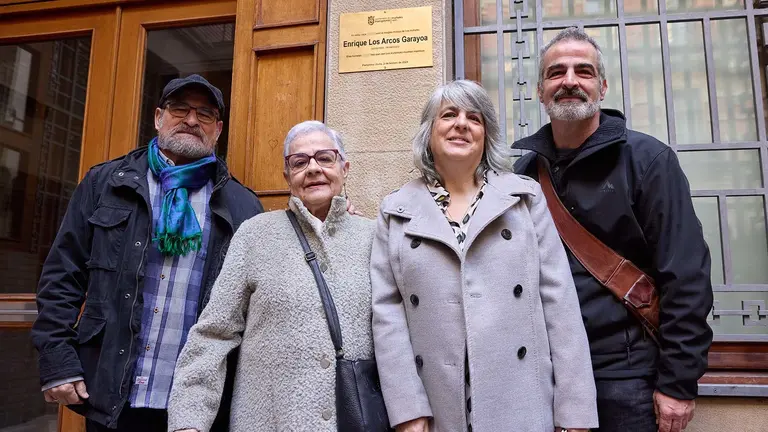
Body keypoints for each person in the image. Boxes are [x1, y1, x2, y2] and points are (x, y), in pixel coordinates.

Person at [31, 74, 264, 432]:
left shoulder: (243, 204)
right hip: (111, 395)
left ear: (217, 129)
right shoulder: (105, 183)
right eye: (179, 109)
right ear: (158, 117)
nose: (190, 120)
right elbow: (63, 275)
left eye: (204, 114)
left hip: (199, 404)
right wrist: (57, 360)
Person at [513, 27, 714, 432]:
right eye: (556, 72)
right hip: (546, 377)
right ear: (540, 90)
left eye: (583, 71)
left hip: (626, 380)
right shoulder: (523, 175)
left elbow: (687, 276)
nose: (569, 80)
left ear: (601, 86)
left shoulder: (648, 160)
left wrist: (678, 383)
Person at [370, 79, 598, 432]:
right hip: (436, 405)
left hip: (521, 401)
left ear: (485, 135)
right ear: (429, 132)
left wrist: (574, 412)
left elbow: (560, 304)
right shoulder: (396, 210)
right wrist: (408, 410)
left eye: (474, 118)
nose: (461, 123)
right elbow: (387, 314)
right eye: (449, 115)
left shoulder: (524, 199)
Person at [167, 120, 375, 432]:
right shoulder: (256, 235)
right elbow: (214, 333)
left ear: (344, 168)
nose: (314, 169)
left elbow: (398, 337)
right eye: (300, 162)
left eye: (325, 158)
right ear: (287, 176)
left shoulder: (375, 237)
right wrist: (189, 420)